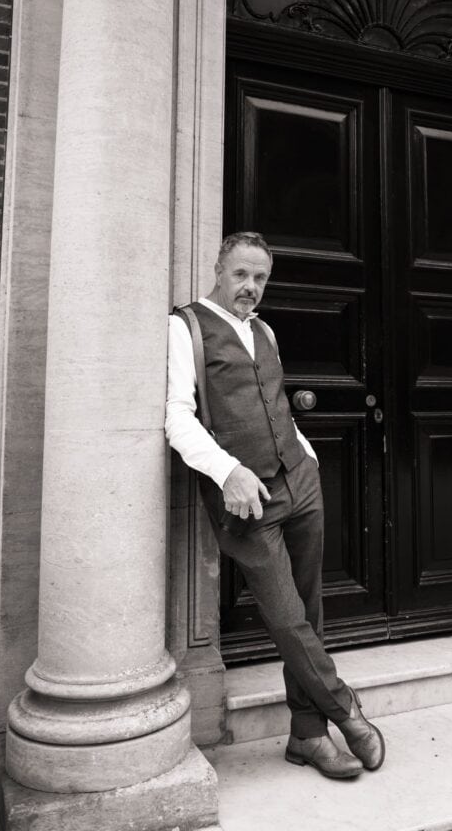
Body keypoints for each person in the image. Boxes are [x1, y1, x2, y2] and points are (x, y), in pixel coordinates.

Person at [165, 231, 385, 779]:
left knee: (309, 611)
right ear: (219, 269)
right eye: (241, 274)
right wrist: (228, 472)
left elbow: (276, 402)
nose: (251, 286)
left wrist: (307, 456)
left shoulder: (264, 330)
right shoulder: (185, 327)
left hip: (299, 482)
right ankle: (347, 710)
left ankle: (307, 736)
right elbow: (177, 416)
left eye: (260, 278)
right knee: (287, 619)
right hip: (245, 498)